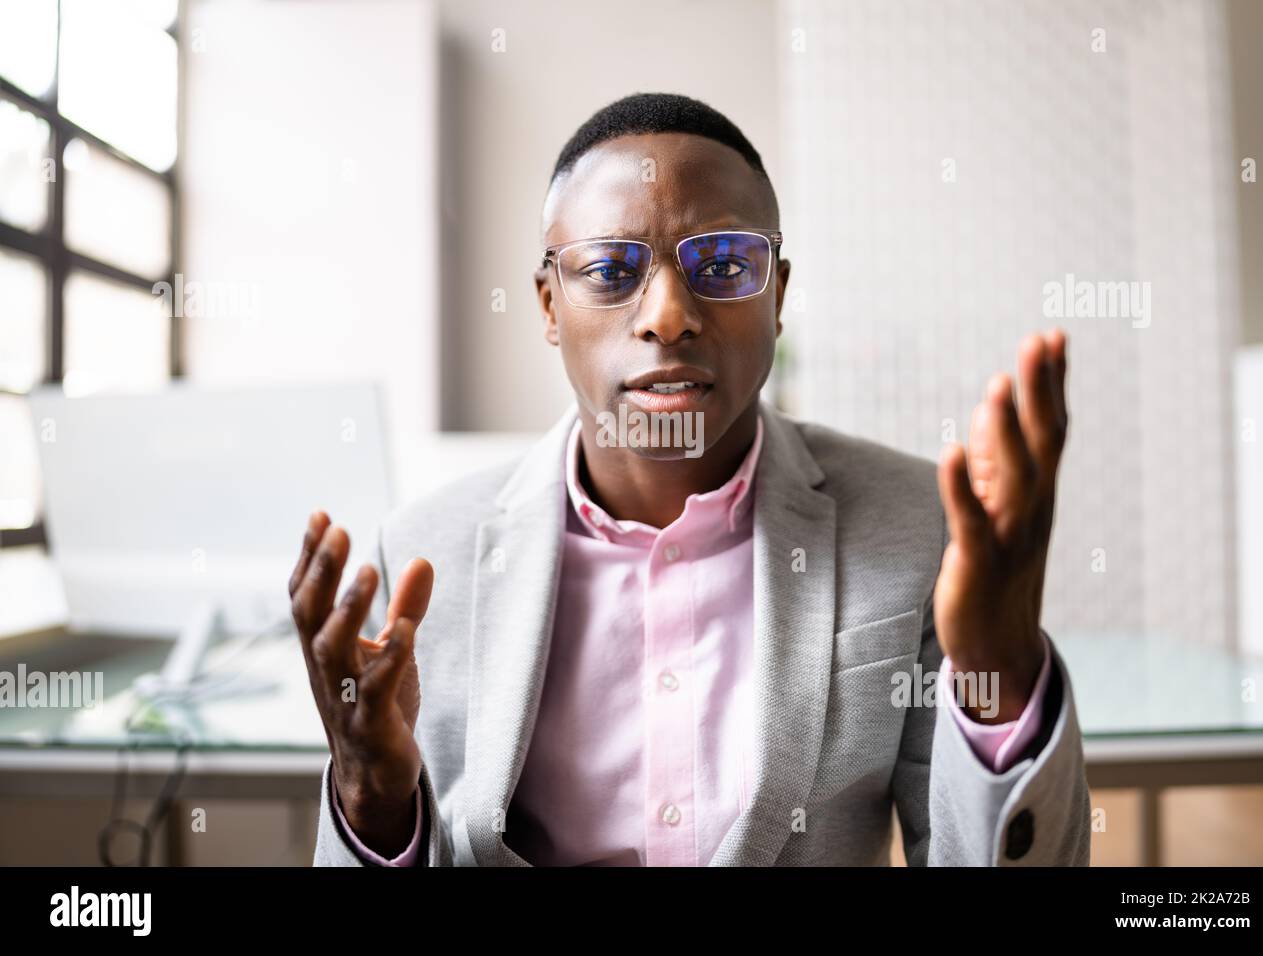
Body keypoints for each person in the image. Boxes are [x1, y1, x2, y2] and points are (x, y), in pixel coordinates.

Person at [293, 93, 1089, 866]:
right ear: (547, 306)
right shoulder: (429, 553)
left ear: (777, 295)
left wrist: (1002, 675)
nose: (667, 313)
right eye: (609, 270)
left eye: (723, 263)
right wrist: (372, 803)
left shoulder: (917, 525)